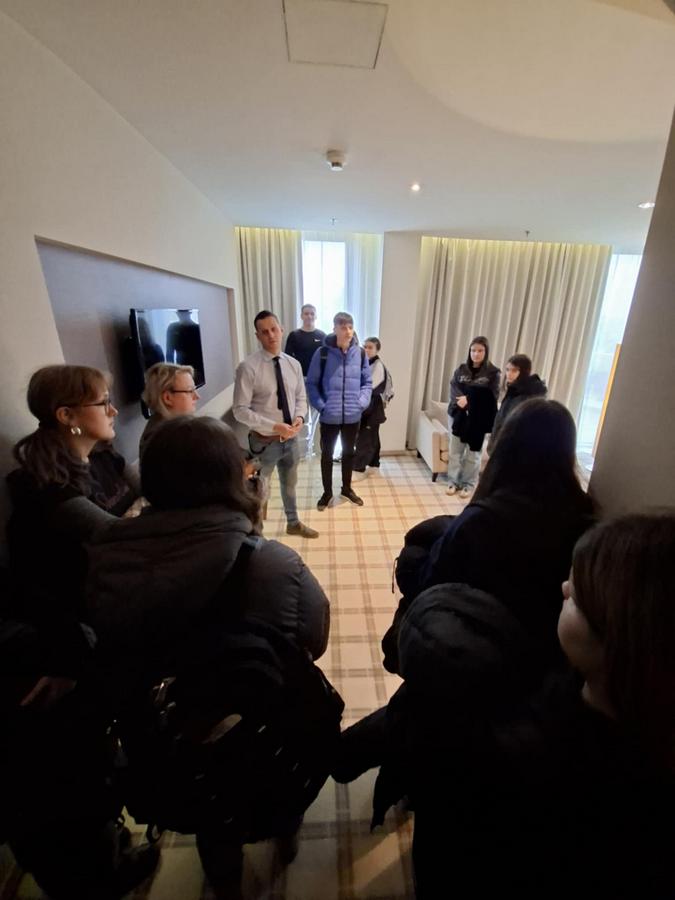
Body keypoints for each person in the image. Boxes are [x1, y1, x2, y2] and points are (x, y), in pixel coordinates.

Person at [85, 416, 331, 897]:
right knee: (269, 785)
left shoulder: (104, 559)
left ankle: (224, 882)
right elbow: (314, 639)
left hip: (169, 746)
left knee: (212, 822)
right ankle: (285, 839)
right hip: (260, 731)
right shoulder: (269, 562)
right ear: (232, 478)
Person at [407, 513, 675, 898]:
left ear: (621, 640)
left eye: (577, 596)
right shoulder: (638, 723)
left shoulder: (528, 765)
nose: (564, 587)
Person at [383, 399, 595, 674]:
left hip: (471, 662)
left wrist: (412, 555)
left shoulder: (480, 523)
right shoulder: (584, 522)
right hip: (538, 666)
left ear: (506, 446)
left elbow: (426, 585)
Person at [6, 365, 140, 673]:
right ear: (67, 415)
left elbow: (155, 493)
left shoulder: (105, 455)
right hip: (86, 619)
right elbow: (115, 534)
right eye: (103, 402)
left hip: (123, 581)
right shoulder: (42, 485)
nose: (114, 411)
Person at [233, 310, 318, 539]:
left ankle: (293, 523)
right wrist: (274, 426)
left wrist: (299, 417)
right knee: (258, 490)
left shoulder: (294, 365)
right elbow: (240, 410)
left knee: (290, 484)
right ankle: (256, 535)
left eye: (274, 329)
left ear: (281, 330)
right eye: (264, 332)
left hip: (291, 440)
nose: (271, 335)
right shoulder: (248, 367)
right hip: (264, 443)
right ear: (257, 336)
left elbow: (300, 397)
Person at [306, 312, 372, 510]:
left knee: (349, 453)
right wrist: (322, 406)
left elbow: (367, 383)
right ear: (335, 329)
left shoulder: (360, 354)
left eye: (350, 327)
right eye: (343, 327)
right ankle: (327, 493)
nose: (348, 331)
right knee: (327, 455)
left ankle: (347, 489)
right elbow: (311, 384)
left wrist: (361, 402)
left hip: (353, 415)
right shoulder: (322, 353)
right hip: (329, 416)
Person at [446, 335, 500, 498]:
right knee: (455, 451)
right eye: (473, 350)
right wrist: (461, 401)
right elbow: (454, 388)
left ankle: (468, 484)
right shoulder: (461, 370)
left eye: (480, 351)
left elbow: (492, 397)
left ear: (486, 352)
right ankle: (453, 481)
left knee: (473, 454)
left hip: (478, 419)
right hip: (458, 415)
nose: (476, 354)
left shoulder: (493, 373)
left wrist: (469, 400)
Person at [284, 304, 326, 457]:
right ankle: (301, 452)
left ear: (316, 316)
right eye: (306, 313)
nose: (309, 316)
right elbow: (287, 359)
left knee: (318, 416)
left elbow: (326, 360)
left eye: (312, 313)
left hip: (317, 382)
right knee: (300, 416)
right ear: (301, 316)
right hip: (299, 381)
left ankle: (317, 450)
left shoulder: (322, 335)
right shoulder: (294, 335)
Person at [487, 353, 547, 454]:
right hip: (500, 448)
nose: (509, 374)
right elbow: (502, 420)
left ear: (524, 372)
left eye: (514, 370)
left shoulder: (529, 395)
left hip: (513, 450)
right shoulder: (513, 391)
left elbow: (520, 427)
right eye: (507, 370)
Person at [139, 362, 200, 458]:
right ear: (167, 398)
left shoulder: (176, 428)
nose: (197, 396)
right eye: (190, 391)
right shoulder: (163, 442)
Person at [353, 337, 393, 476]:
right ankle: (374, 464)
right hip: (367, 404)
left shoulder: (378, 366)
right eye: (365, 346)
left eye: (370, 347)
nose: (366, 350)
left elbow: (369, 387)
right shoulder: (366, 363)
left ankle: (358, 469)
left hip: (372, 406)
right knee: (373, 435)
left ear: (377, 349)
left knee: (365, 436)